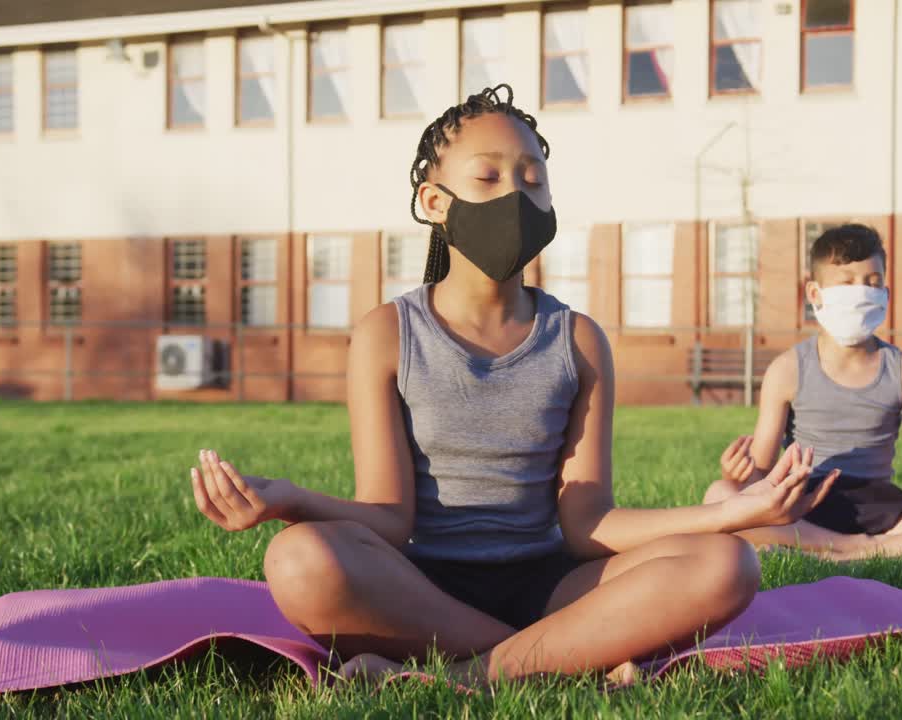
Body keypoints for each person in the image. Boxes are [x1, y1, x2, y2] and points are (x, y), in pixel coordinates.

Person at [186, 85, 835, 687]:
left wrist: (733, 516)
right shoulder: (387, 334)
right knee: (298, 558)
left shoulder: (578, 341)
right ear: (435, 204)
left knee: (728, 565)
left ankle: (473, 673)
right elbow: (388, 519)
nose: (516, 194)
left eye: (533, 179)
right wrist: (284, 500)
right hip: (421, 588)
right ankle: (568, 651)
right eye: (489, 176)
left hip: (553, 582)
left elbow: (589, 526)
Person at [703, 224, 902, 562]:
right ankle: (860, 551)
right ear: (815, 294)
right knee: (718, 495)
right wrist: (737, 474)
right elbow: (761, 473)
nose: (861, 292)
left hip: (880, 509)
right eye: (846, 283)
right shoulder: (787, 370)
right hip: (802, 504)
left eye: (872, 283)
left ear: (885, 293)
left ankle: (849, 552)